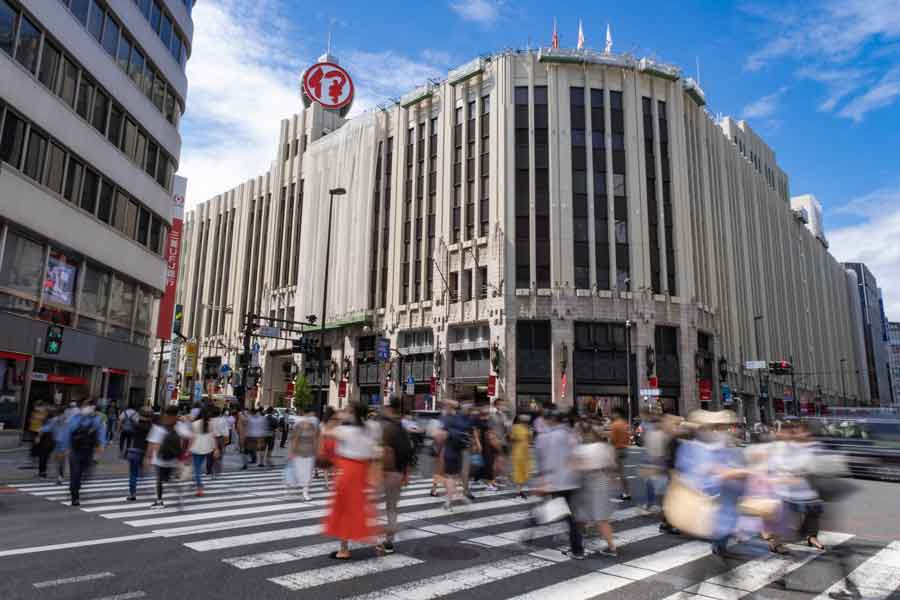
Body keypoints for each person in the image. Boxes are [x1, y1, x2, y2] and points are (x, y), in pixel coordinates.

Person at [323, 404, 380, 560]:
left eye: (347, 411)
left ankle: (344, 549)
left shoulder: (346, 431)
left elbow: (325, 432)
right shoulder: (370, 430)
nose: (344, 413)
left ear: (353, 414)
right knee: (358, 508)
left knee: (343, 510)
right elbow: (376, 452)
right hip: (361, 471)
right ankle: (376, 541)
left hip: (347, 471)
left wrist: (336, 418)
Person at [534, 409, 584, 560]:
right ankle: (577, 549)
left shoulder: (547, 437)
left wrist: (543, 479)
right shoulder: (571, 435)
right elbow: (578, 456)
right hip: (572, 481)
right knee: (570, 516)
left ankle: (528, 533)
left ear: (550, 421)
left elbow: (545, 460)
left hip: (557, 482)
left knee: (555, 511)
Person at [573, 414, 617, 556]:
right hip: (601, 481)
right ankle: (611, 547)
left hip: (588, 483)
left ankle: (577, 546)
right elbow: (612, 465)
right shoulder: (604, 447)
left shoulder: (581, 449)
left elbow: (577, 467)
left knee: (580, 516)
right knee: (600, 518)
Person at [378, 403, 413, 555]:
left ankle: (388, 538)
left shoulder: (388, 430)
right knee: (392, 507)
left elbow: (383, 451)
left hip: (387, 473)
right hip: (398, 473)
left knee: (385, 507)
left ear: (391, 411)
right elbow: (409, 453)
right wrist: (406, 473)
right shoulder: (403, 430)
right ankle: (389, 539)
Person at [60, 399, 107, 506]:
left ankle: (75, 486)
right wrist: (65, 448)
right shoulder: (75, 418)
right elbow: (67, 433)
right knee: (75, 473)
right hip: (75, 450)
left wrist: (100, 448)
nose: (88, 408)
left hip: (89, 451)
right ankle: (75, 496)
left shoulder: (98, 419)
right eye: (86, 406)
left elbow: (101, 434)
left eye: (90, 406)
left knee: (86, 473)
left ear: (94, 408)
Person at [145, 405, 188, 508]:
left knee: (160, 480)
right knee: (169, 479)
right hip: (174, 458)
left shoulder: (159, 425)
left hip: (160, 458)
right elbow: (187, 438)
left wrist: (147, 457)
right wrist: (183, 454)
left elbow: (153, 443)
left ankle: (159, 501)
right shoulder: (179, 425)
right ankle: (179, 493)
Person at [288, 408, 318, 500]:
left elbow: (315, 439)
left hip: (310, 452)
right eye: (310, 415)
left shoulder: (313, 426)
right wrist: (291, 452)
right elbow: (294, 439)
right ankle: (298, 483)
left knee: (308, 473)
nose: (311, 417)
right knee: (301, 472)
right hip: (299, 452)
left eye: (312, 416)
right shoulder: (299, 426)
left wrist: (317, 451)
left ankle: (305, 491)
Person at [125, 409, 153, 501]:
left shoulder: (136, 426)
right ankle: (147, 490)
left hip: (134, 451)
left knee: (133, 474)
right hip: (145, 452)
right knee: (143, 472)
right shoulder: (151, 427)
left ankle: (132, 494)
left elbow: (127, 431)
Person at [189, 409, 217, 496]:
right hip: (207, 448)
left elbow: (192, 438)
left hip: (196, 448)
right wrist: (216, 448)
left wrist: (188, 449)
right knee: (199, 467)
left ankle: (199, 488)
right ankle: (198, 482)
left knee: (197, 469)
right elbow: (214, 437)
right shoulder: (211, 424)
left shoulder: (194, 424)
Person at [609, 410, 632, 500]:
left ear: (617, 414)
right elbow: (628, 436)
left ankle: (626, 492)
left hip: (617, 449)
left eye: (613, 413)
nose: (612, 415)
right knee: (618, 471)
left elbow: (612, 439)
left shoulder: (615, 425)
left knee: (619, 472)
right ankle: (625, 491)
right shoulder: (625, 424)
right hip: (624, 449)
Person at [510, 414, 532, 498]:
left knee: (524, 471)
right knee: (518, 471)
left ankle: (520, 490)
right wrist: (518, 438)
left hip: (525, 452)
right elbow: (511, 438)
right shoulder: (515, 427)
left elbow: (530, 439)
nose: (526, 422)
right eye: (524, 420)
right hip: (518, 452)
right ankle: (519, 491)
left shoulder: (528, 428)